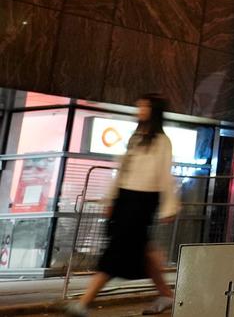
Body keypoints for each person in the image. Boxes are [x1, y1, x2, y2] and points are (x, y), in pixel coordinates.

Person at [67, 94, 179, 316]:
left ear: (154, 110)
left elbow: (165, 176)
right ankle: (166, 294)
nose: (140, 110)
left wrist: (169, 206)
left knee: (117, 250)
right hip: (126, 198)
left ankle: (84, 302)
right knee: (141, 249)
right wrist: (111, 199)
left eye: (145, 106)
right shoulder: (136, 137)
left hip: (144, 200)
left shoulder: (162, 142)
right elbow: (122, 171)